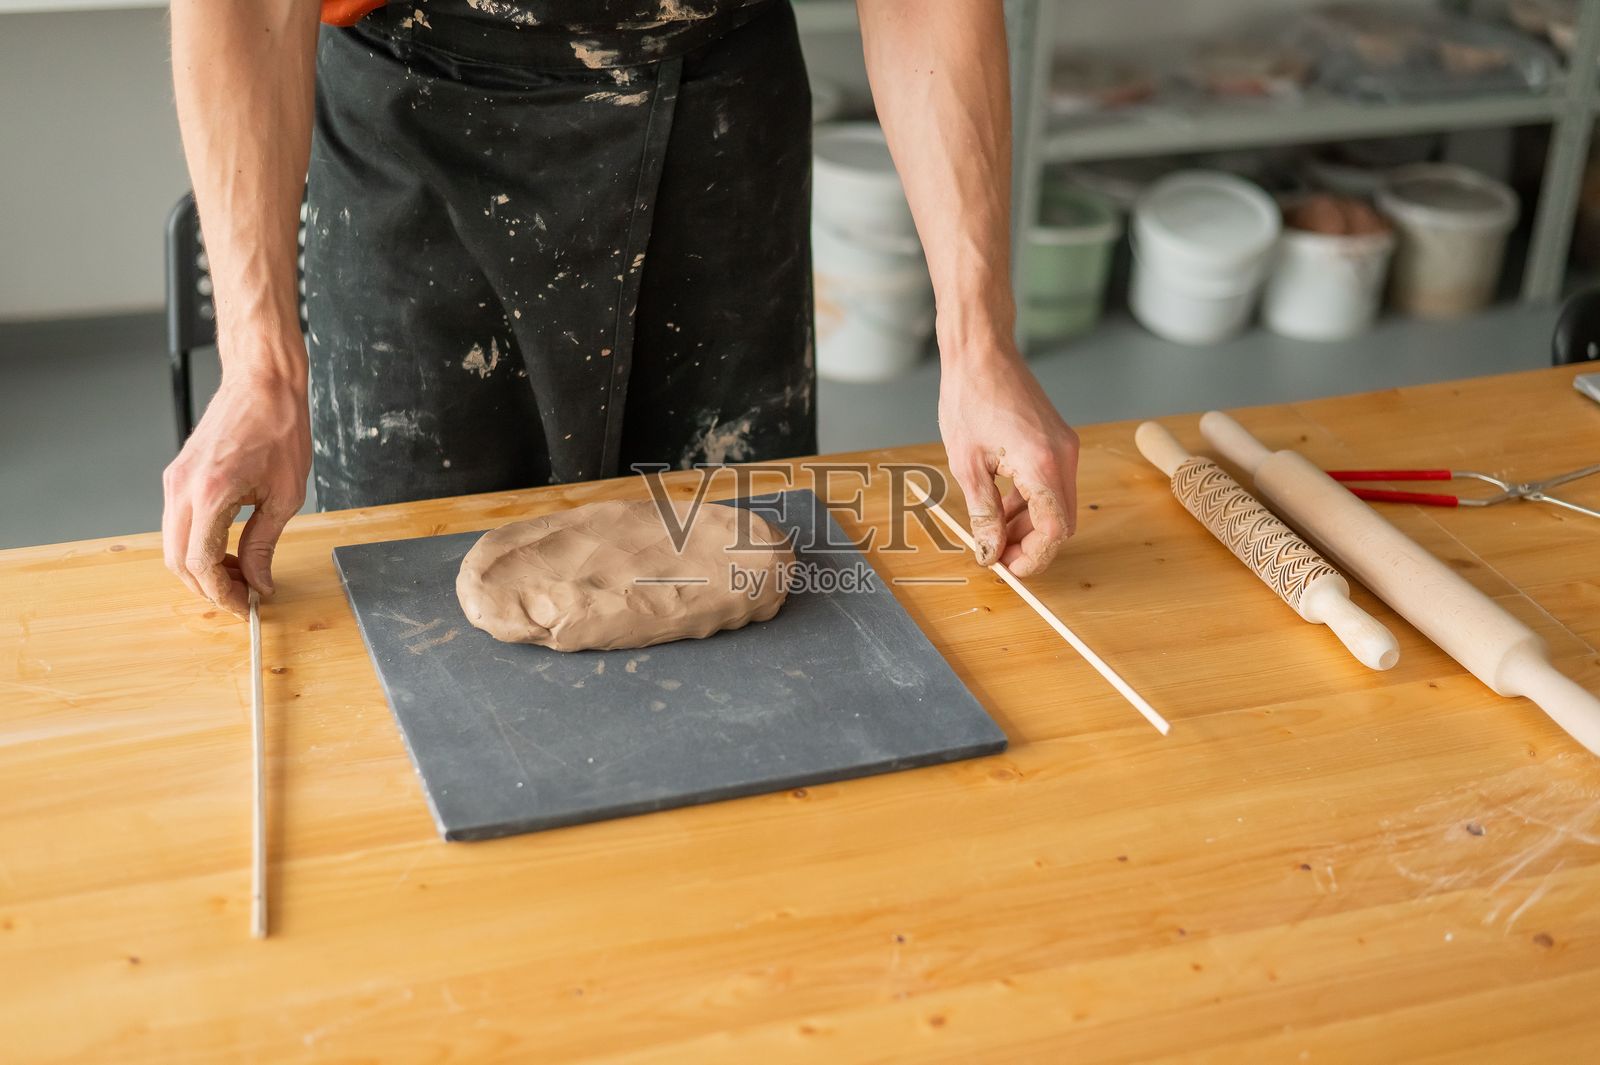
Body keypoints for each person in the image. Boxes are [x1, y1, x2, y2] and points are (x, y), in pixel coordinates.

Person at [162, 0, 1081, 616]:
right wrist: (261, 369)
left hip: (716, 115)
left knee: (743, 573)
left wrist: (978, 340)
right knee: (422, 608)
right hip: (417, 122)